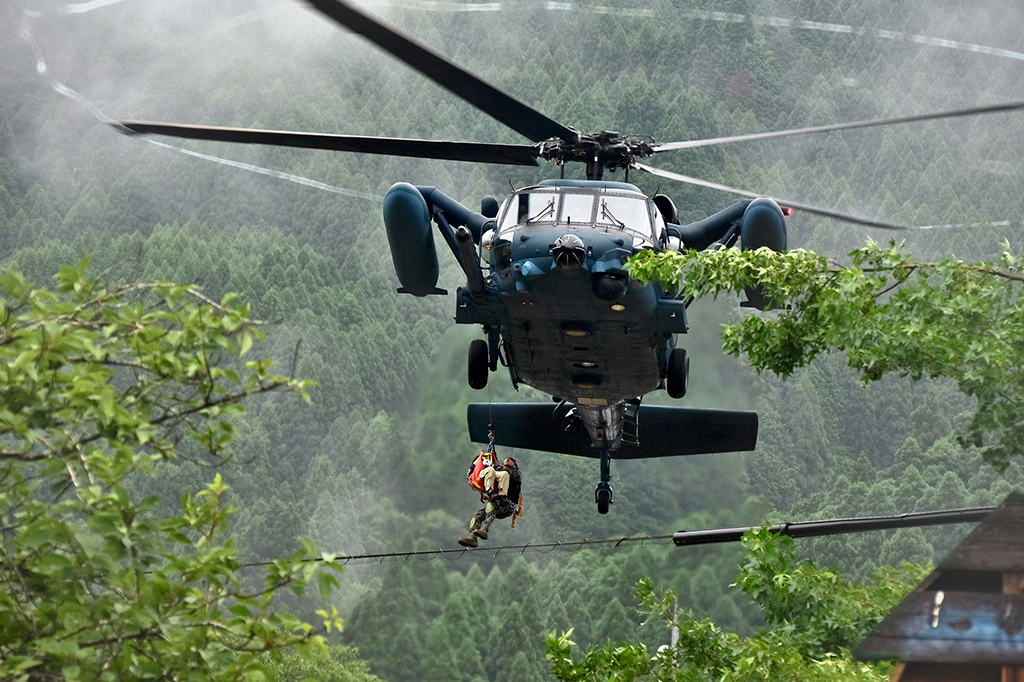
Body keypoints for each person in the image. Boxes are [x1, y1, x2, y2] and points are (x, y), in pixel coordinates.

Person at [458, 456, 522, 548]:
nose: (507, 460)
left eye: (511, 460)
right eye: (506, 459)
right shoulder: (499, 473)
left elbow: (508, 472)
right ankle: (472, 537)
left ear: (515, 465)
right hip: (498, 502)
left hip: (508, 505)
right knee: (478, 514)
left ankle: (485, 528)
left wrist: (492, 465)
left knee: (492, 505)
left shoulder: (516, 474)